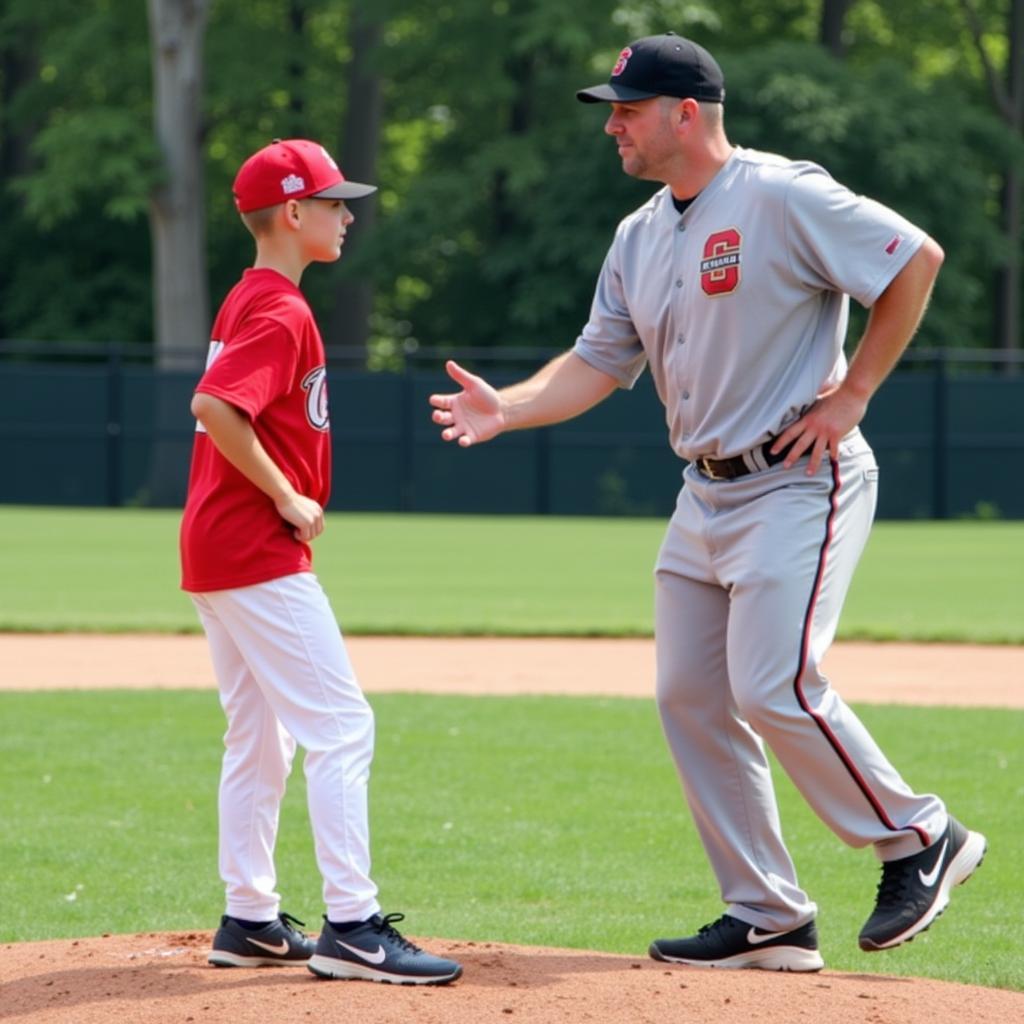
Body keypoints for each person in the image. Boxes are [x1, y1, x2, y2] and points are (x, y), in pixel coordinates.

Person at [429, 34, 986, 971]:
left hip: (799, 478)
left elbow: (914, 260)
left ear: (686, 114)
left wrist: (853, 396)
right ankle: (767, 913)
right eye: (612, 106)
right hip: (705, 493)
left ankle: (919, 836)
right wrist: (508, 409)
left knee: (774, 685)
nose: (613, 123)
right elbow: (600, 362)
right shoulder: (639, 234)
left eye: (628, 107)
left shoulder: (779, 193)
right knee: (690, 696)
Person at [180, 138, 461, 985]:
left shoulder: (250, 298)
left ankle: (251, 916)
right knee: (342, 727)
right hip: (255, 545)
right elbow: (215, 406)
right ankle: (354, 927)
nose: (348, 214)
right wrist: (285, 494)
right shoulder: (281, 309)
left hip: (217, 546)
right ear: (293, 213)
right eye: (336, 202)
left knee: (259, 735)